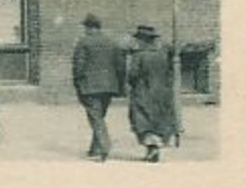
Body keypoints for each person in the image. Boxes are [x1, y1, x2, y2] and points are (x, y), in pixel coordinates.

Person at [71, 13, 125, 161]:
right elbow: (120, 66)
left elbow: (78, 66)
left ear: (89, 28)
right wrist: (120, 85)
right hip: (109, 86)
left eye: (85, 27)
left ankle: (104, 146)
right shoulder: (112, 42)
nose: (85, 30)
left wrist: (77, 82)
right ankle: (94, 149)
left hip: (90, 86)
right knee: (99, 116)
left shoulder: (84, 43)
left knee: (95, 118)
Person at [126, 23, 179, 162]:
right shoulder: (163, 53)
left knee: (143, 120)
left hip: (143, 91)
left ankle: (151, 148)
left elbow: (132, 74)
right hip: (162, 92)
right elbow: (171, 72)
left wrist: (132, 84)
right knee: (159, 119)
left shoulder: (139, 55)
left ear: (142, 39)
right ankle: (155, 147)